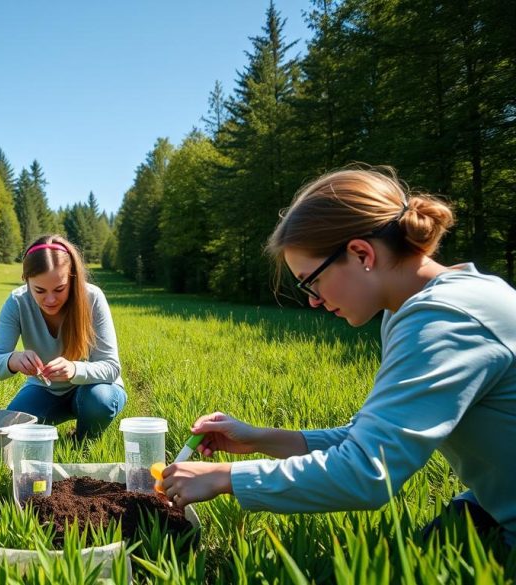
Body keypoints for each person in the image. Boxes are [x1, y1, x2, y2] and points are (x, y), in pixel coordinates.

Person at [160, 167, 516, 546]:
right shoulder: (415, 307)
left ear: (361, 253)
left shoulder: (444, 318)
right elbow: (368, 439)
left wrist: (224, 477)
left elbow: (367, 471)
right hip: (492, 504)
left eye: (312, 280)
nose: (313, 300)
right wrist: (260, 438)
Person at [0, 235, 127, 439]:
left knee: (99, 400)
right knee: (12, 431)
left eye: (59, 289)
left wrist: (75, 369)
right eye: (39, 290)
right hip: (44, 390)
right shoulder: (17, 302)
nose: (50, 299)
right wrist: (13, 360)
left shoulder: (92, 298)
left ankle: (83, 441)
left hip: (92, 389)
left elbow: (112, 367)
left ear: (72, 279)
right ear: (26, 280)